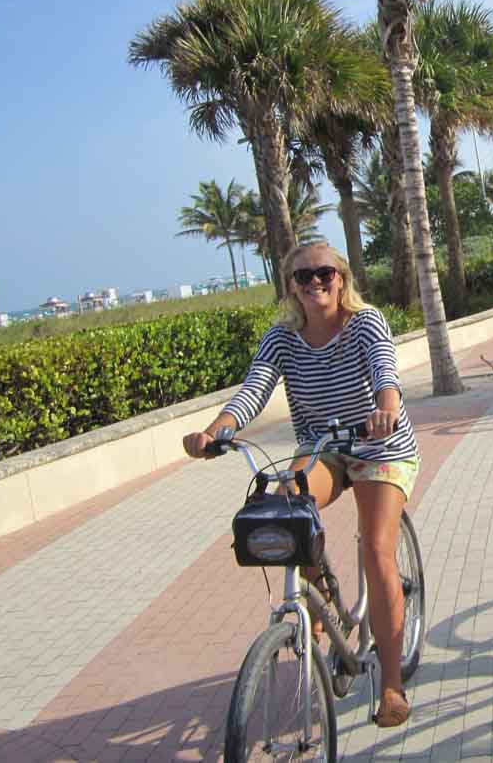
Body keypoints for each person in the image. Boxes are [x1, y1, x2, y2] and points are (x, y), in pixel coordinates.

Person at [182, 242, 417, 728]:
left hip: (379, 445)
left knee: (376, 551)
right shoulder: (282, 337)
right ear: (291, 285)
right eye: (304, 276)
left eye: (325, 273)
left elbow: (384, 370)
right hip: (323, 446)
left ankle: (391, 684)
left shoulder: (366, 323)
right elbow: (255, 388)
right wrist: (216, 430)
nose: (315, 283)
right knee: (286, 502)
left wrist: (387, 406)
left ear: (342, 278)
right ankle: (322, 597)